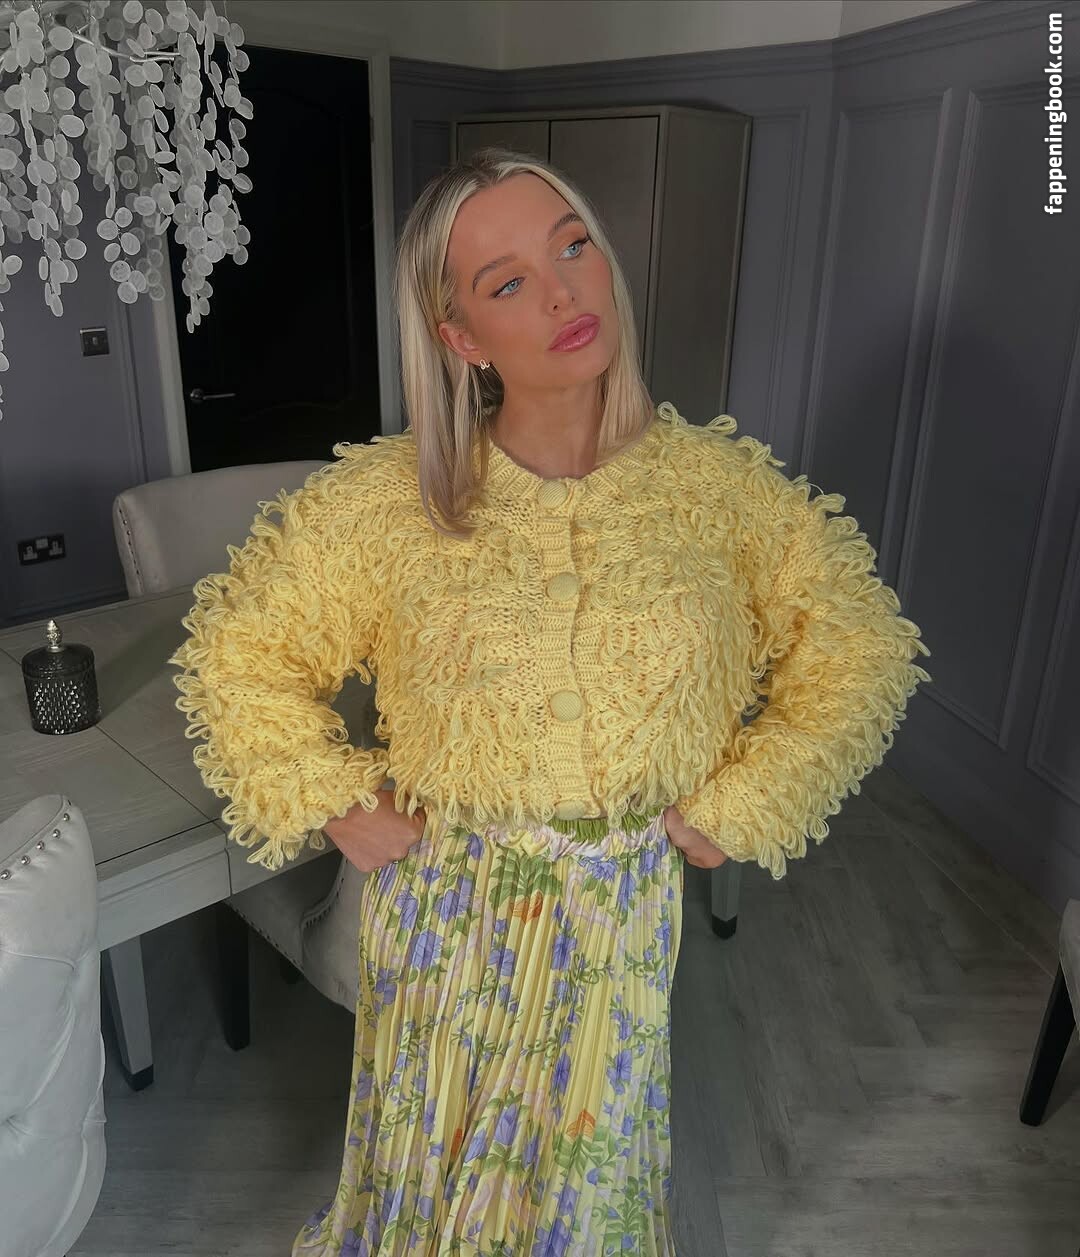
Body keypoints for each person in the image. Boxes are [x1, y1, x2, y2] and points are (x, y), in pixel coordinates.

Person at [168, 147, 931, 1255]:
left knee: (583, 1200)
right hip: (443, 908)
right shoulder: (386, 503)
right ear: (461, 338)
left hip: (620, 915)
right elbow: (238, 654)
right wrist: (336, 799)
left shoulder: (721, 492)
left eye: (573, 247)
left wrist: (750, 799)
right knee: (434, 1189)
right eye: (509, 281)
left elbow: (860, 645)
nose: (564, 293)